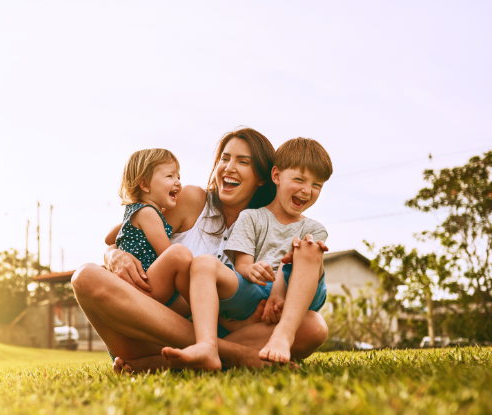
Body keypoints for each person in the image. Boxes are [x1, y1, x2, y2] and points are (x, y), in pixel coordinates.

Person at [71, 128, 329, 373]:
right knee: (85, 276)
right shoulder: (192, 200)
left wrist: (277, 300)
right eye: (225, 158)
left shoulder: (270, 226)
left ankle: (171, 360)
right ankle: (232, 354)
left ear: (263, 178)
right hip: (147, 330)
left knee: (313, 326)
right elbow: (129, 230)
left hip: (227, 332)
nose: (229, 167)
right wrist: (115, 255)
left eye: (242, 161)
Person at [162, 138, 332, 370]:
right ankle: (207, 346)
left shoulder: (314, 228)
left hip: (297, 294)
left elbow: (296, 266)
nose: (306, 190)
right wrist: (250, 269)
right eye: (299, 180)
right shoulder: (251, 217)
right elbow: (242, 263)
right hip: (255, 291)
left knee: (308, 249)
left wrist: (280, 292)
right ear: (276, 176)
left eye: (316, 185)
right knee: (203, 263)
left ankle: (283, 335)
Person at [112, 148, 192, 313]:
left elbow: (109, 238)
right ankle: (203, 306)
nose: (177, 182)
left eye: (178, 176)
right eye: (170, 176)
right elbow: (167, 253)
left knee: (189, 306)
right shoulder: (148, 213)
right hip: (146, 284)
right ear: (145, 185)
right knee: (179, 253)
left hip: (141, 286)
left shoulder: (133, 211)